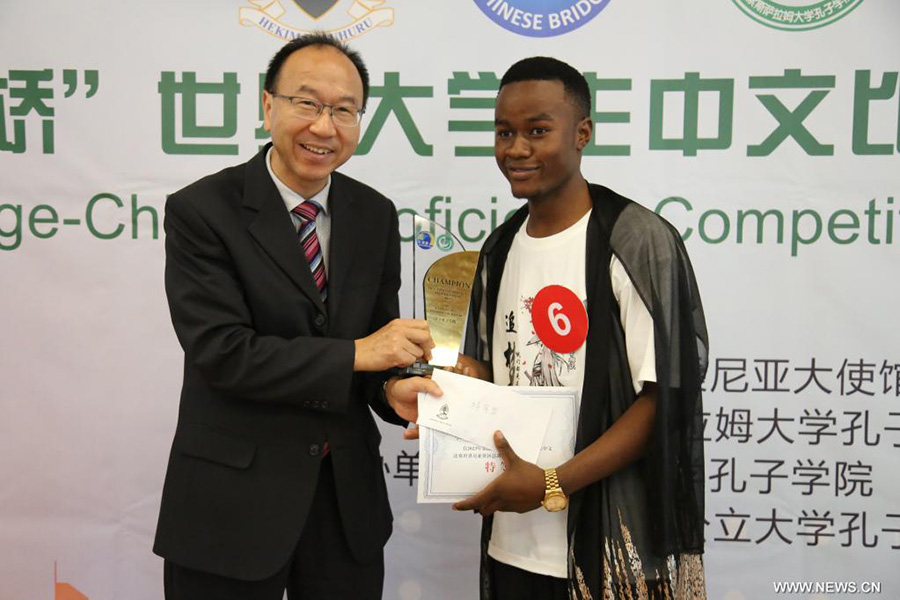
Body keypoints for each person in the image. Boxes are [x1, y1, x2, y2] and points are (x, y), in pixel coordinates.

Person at [153, 33, 439, 600]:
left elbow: (377, 347)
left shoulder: (374, 214)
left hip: (345, 504)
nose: (324, 127)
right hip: (230, 506)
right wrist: (360, 354)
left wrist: (394, 391)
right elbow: (223, 353)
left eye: (344, 110)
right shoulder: (202, 210)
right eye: (307, 103)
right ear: (268, 106)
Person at [452, 57, 709, 599]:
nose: (516, 149)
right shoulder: (499, 247)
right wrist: (448, 402)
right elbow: (493, 374)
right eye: (504, 132)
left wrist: (551, 483)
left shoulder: (635, 239)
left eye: (537, 131)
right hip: (512, 540)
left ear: (582, 133)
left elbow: (664, 398)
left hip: (613, 550)